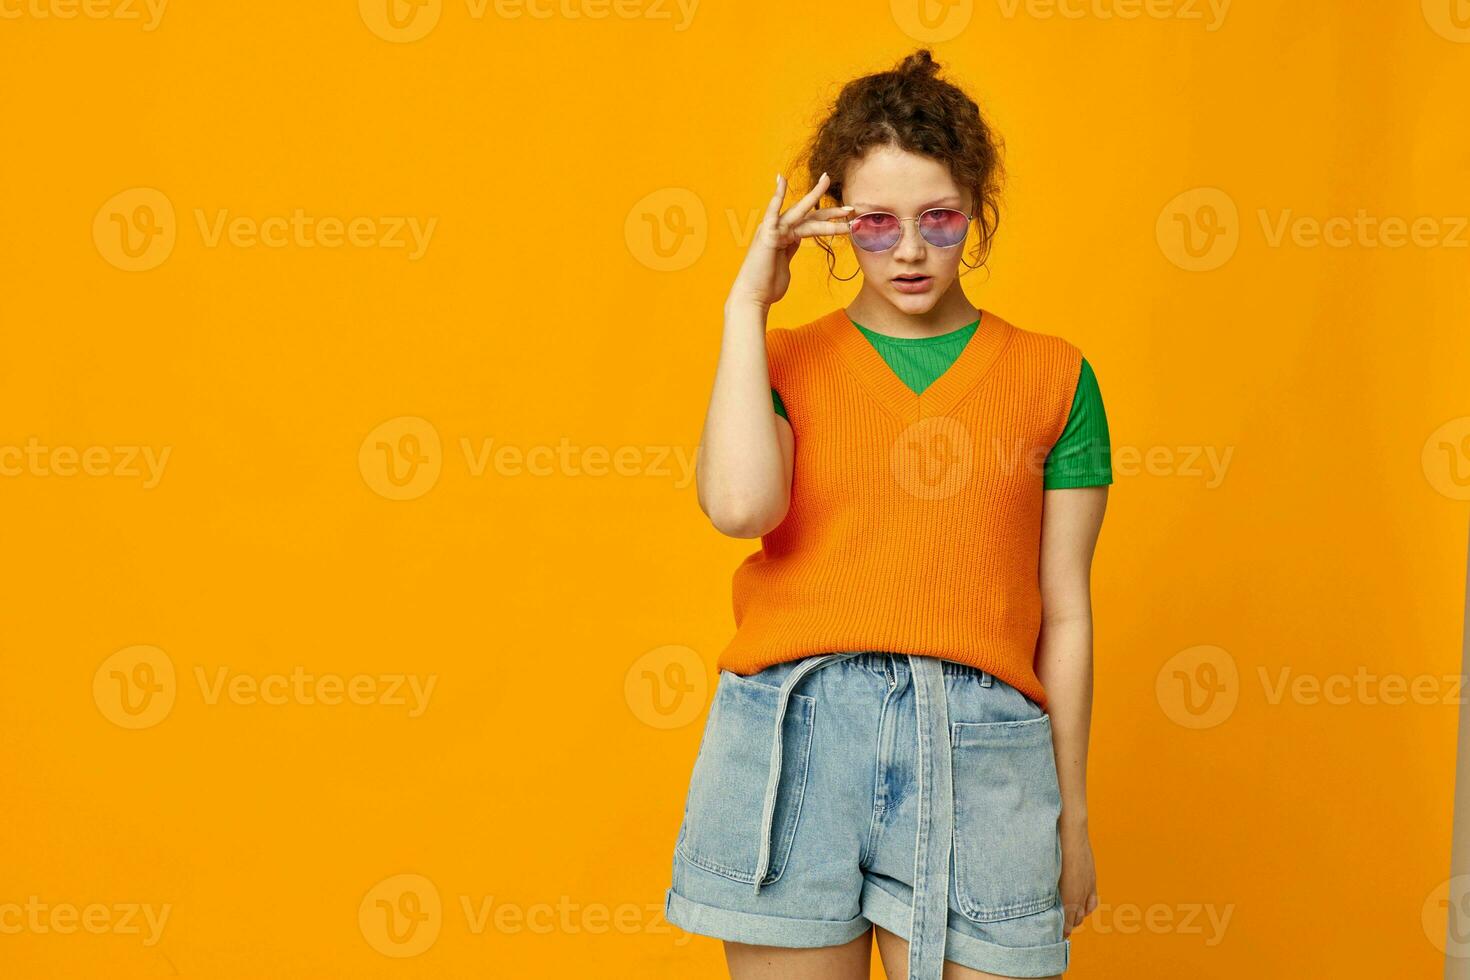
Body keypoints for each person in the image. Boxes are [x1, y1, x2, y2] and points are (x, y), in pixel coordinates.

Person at [663, 48, 1109, 980]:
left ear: (976, 212)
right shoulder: (782, 363)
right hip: (794, 740)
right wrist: (747, 302)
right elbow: (741, 504)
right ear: (833, 225)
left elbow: (1064, 609)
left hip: (985, 751)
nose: (909, 250)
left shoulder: (1055, 378)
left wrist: (1071, 812)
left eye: (938, 218)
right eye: (875, 222)